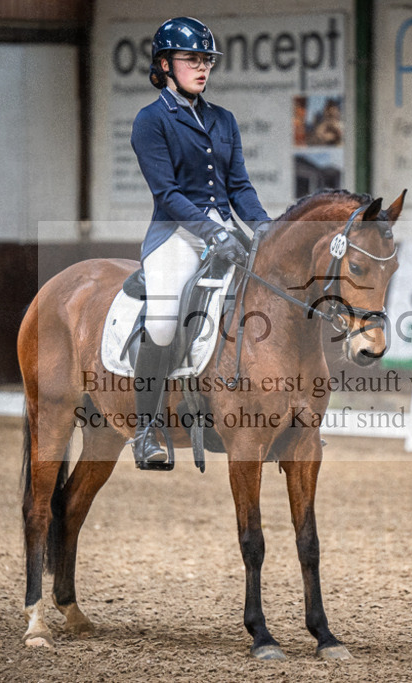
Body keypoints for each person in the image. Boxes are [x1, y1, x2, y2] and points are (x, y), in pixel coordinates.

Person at [129, 16, 271, 465]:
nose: (203, 67)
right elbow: (166, 194)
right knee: (165, 321)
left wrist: (263, 227)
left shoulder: (223, 120)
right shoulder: (151, 121)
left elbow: (240, 187)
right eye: (192, 59)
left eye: (206, 59)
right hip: (176, 235)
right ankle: (146, 430)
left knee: (263, 305)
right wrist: (213, 232)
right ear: (166, 64)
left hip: (226, 234)